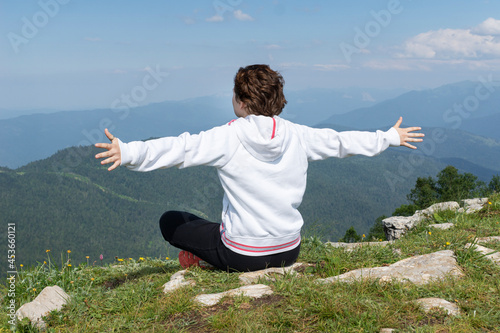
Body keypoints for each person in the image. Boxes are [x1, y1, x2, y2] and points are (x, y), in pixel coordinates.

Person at [95, 64, 424, 272]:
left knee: (173, 221)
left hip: (242, 255)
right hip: (289, 250)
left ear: (240, 101)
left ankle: (199, 259)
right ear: (277, 100)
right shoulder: (297, 134)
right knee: (209, 226)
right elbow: (341, 142)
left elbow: (181, 148)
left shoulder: (228, 136)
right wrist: (389, 137)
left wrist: (129, 152)